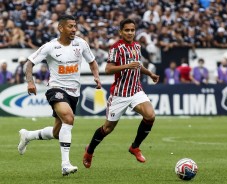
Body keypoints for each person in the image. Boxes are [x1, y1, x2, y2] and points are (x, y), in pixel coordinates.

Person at [17, 15, 101, 176]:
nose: (74, 29)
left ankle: (27, 135)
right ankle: (65, 164)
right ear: (61, 28)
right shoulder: (50, 47)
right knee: (68, 119)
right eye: (70, 26)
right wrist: (30, 82)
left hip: (74, 92)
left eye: (75, 26)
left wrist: (96, 75)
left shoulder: (81, 44)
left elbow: (92, 61)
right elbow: (29, 63)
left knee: (57, 132)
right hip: (56, 89)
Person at [83, 18, 159, 168]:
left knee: (150, 115)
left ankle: (135, 147)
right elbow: (108, 69)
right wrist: (126, 65)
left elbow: (137, 65)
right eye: (127, 30)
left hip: (136, 90)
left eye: (132, 30)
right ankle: (89, 151)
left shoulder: (137, 46)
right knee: (107, 129)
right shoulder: (115, 48)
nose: (130, 33)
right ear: (121, 32)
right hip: (120, 94)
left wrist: (149, 73)